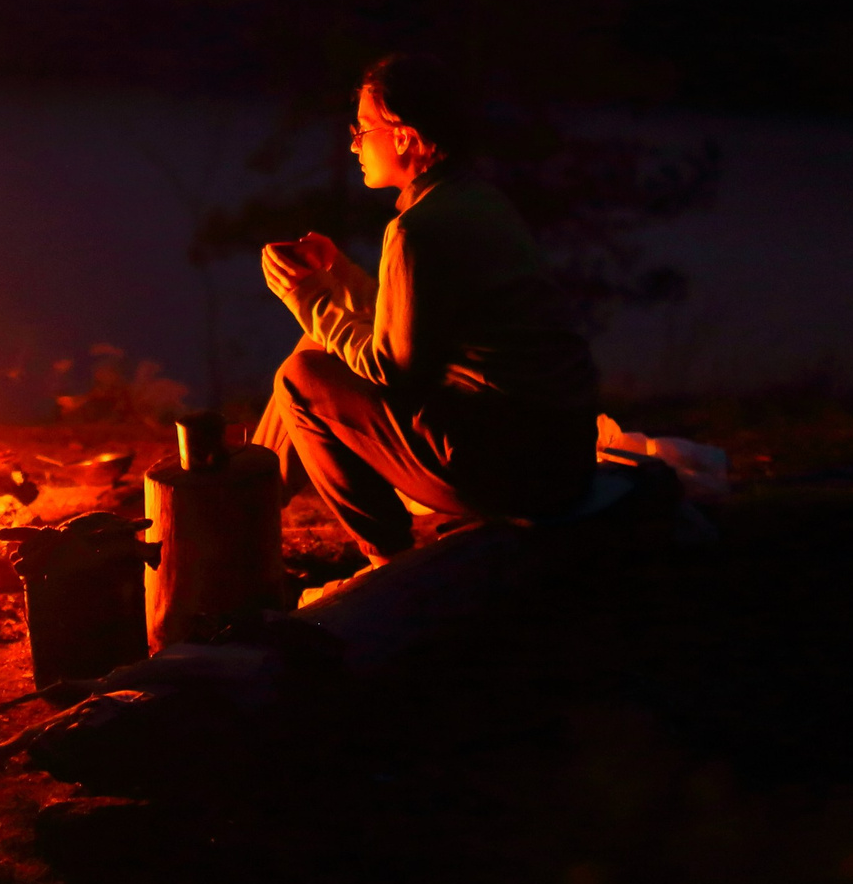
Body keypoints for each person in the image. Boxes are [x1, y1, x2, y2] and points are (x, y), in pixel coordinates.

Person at [250, 53, 595, 562]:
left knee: (301, 375)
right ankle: (247, 498)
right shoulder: (476, 200)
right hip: (558, 457)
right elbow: (421, 329)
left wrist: (304, 296)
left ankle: (386, 558)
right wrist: (338, 279)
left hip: (508, 472)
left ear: (405, 137)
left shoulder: (418, 229)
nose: (354, 143)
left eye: (364, 129)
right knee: (318, 345)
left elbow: (394, 369)